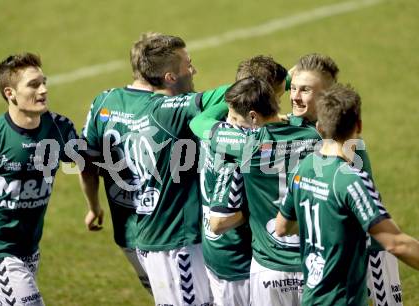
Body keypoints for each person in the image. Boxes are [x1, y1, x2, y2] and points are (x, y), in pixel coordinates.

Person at [101, 33, 229, 306]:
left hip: (154, 237)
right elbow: (228, 96)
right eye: (188, 64)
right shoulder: (168, 112)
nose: (194, 70)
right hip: (175, 244)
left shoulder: (135, 108)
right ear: (170, 76)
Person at [275, 83, 419, 305]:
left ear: (320, 127)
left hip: (312, 298)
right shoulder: (350, 179)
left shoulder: (303, 167)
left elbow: (282, 226)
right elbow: (395, 243)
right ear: (358, 126)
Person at [190, 76, 321, 306]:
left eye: (233, 118)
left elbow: (199, 124)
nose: (231, 124)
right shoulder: (315, 135)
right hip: (313, 261)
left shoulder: (245, 145)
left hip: (269, 265)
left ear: (252, 116)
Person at [0, 53, 78, 306]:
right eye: (33, 85)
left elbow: (86, 163)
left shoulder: (59, 128)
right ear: (10, 93)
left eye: (43, 82)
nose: (43, 89)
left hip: (28, 249)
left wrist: (94, 205)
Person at [198, 55, 289, 306]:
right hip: (236, 260)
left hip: (225, 253)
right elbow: (219, 222)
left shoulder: (221, 129)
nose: (279, 106)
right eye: (277, 98)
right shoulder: (239, 145)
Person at [79, 32, 162, 295]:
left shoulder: (103, 101)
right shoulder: (170, 105)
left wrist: (93, 207)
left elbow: (86, 164)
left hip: (128, 234)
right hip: (169, 236)